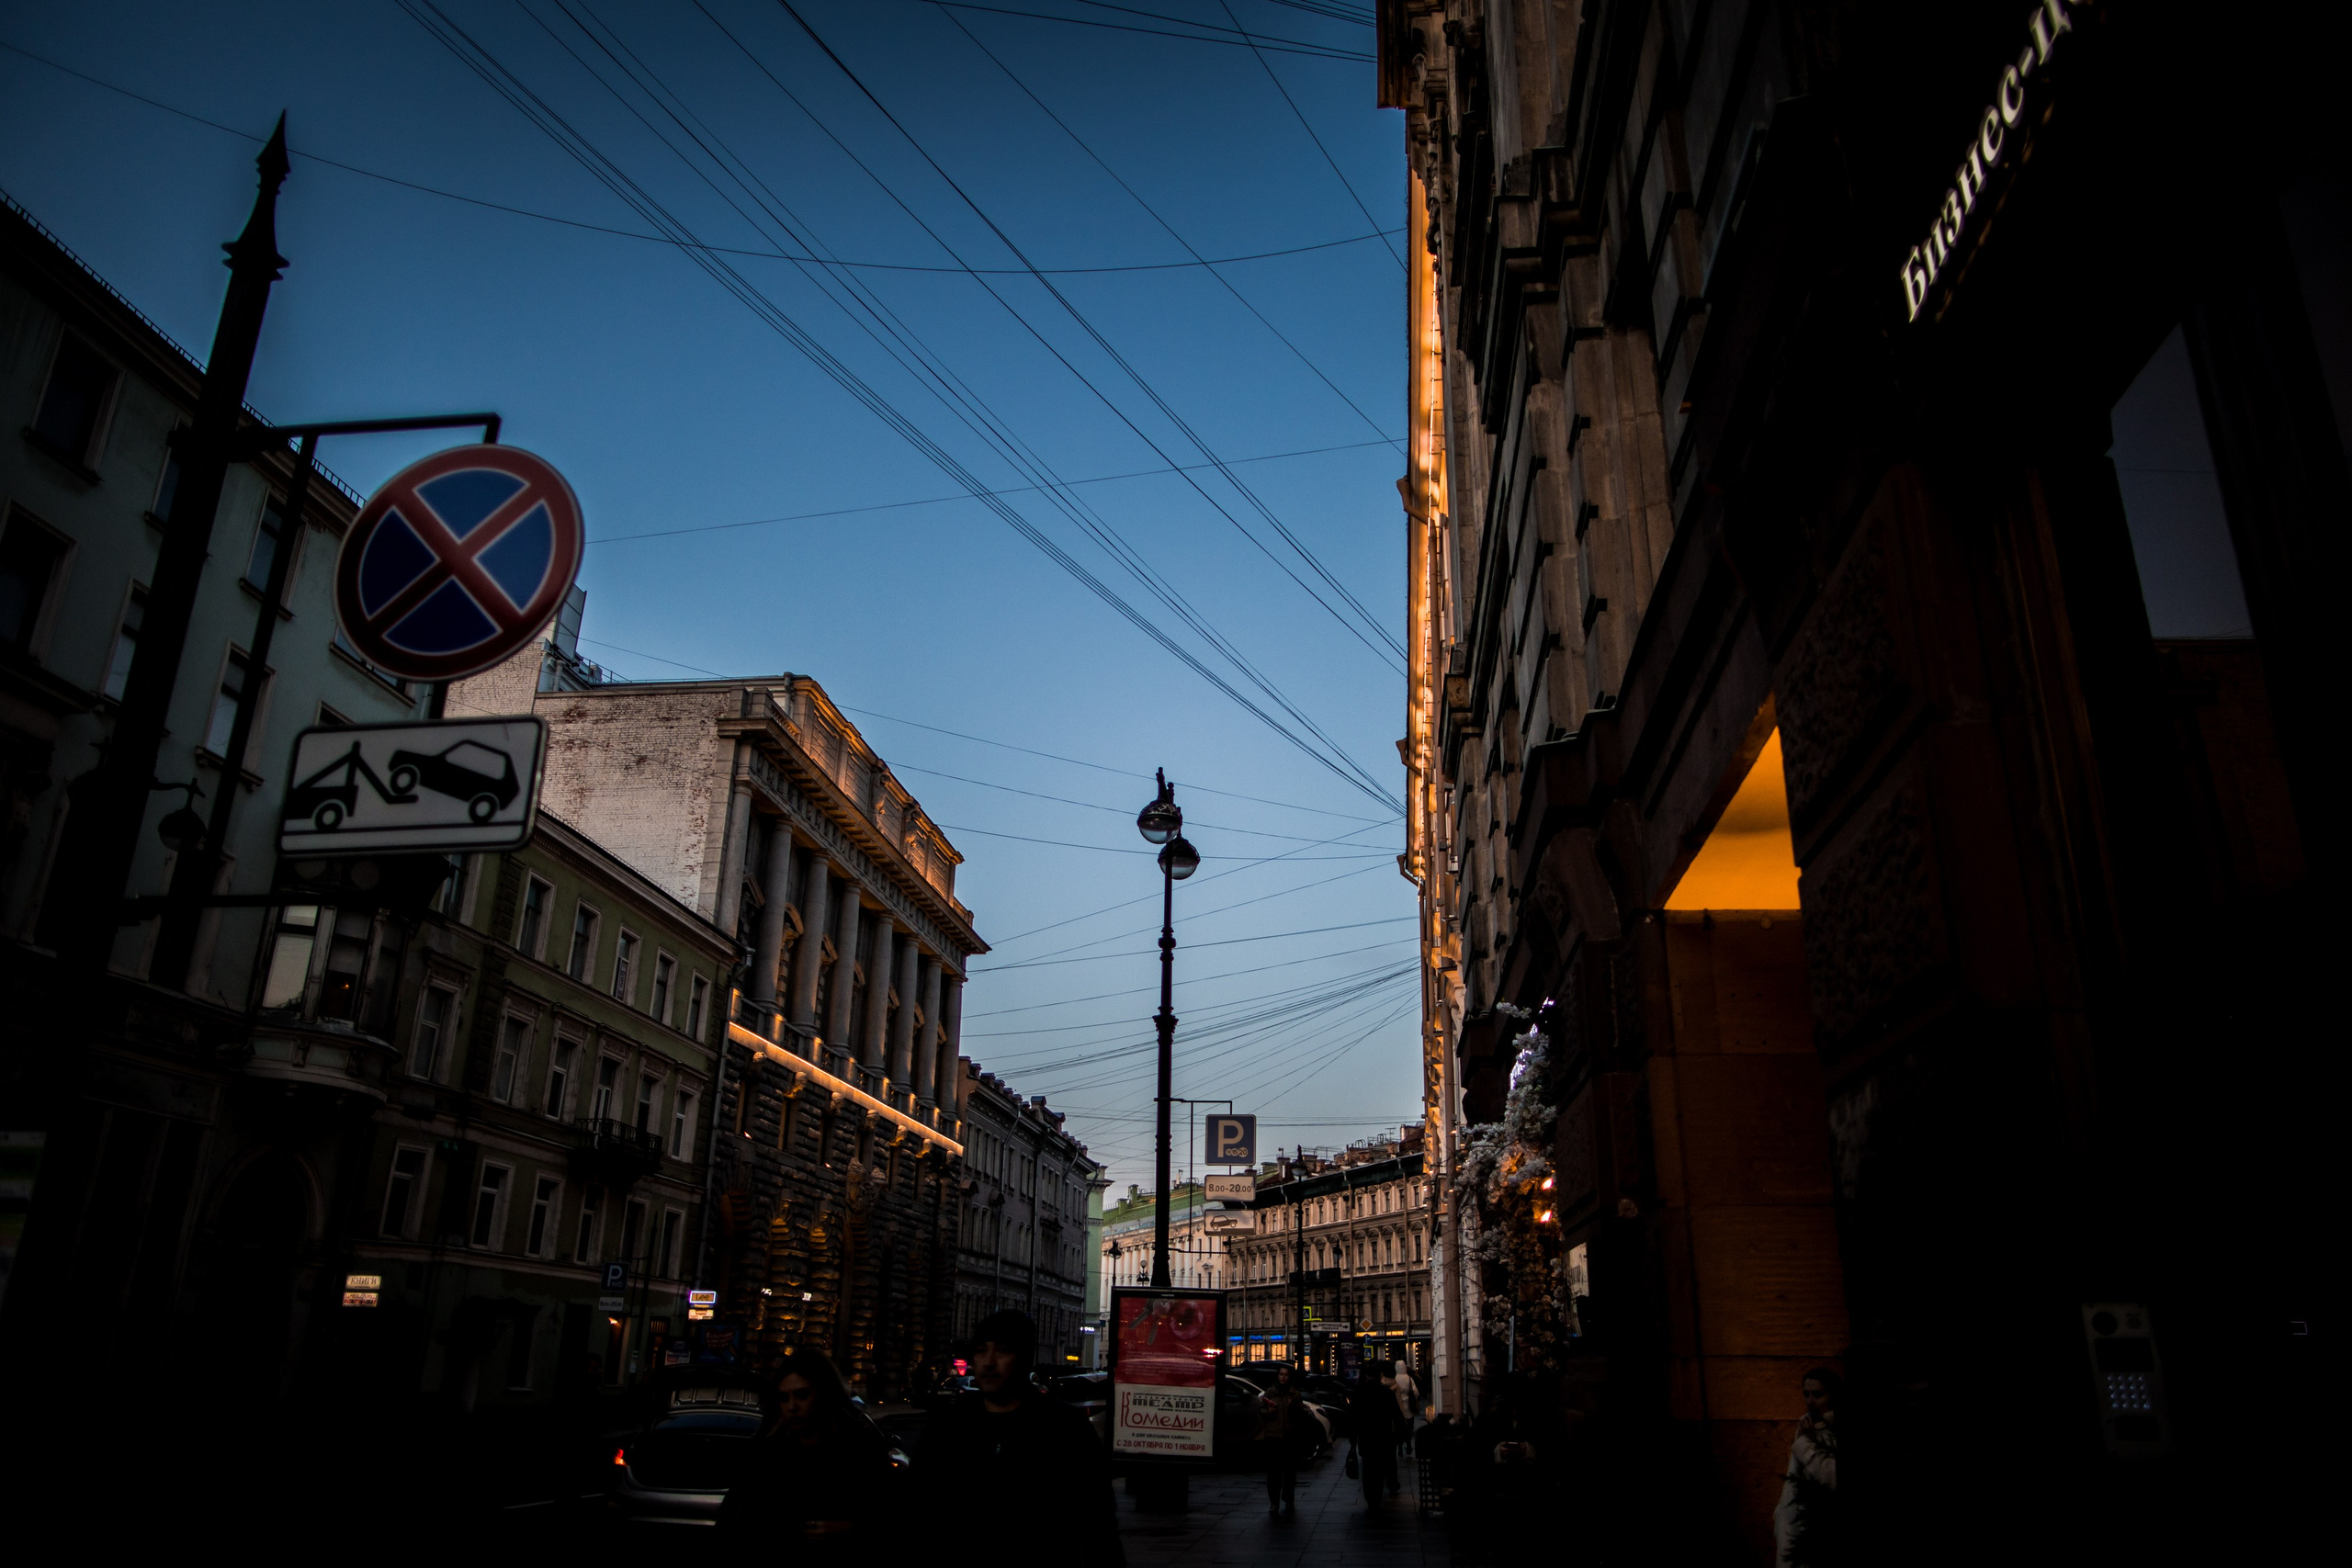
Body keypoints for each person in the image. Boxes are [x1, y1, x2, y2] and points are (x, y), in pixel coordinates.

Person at [913, 1309, 1123, 1568]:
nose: (988, 1362)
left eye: (1002, 1351)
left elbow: (1099, 1525)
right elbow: (918, 1516)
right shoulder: (947, 1430)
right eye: (980, 1350)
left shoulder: (1063, 1429)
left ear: (1023, 1359)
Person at [716, 1349, 899, 1561]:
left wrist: (851, 1529)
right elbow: (731, 1520)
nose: (792, 1407)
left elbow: (890, 1518)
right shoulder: (767, 1453)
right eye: (784, 1398)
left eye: (802, 1395)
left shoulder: (860, 1452)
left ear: (824, 1394)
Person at [1772, 1368, 1842, 1567]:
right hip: (1794, 1522)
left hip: (1822, 1525)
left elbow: (1831, 1477)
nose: (1810, 1401)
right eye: (1806, 1394)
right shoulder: (1806, 1423)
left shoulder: (1834, 1429)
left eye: (1818, 1394)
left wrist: (1808, 1444)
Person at [1254, 1362, 1312, 1516]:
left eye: (1286, 1375)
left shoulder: (1294, 1394)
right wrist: (1268, 1411)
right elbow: (1261, 1411)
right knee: (1273, 1473)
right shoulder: (1271, 1393)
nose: (1283, 1377)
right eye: (1281, 1374)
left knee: (1289, 1473)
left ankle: (1288, 1499)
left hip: (1289, 1438)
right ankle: (1274, 1502)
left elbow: (1301, 1415)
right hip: (1273, 1438)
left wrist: (1293, 1407)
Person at [1346, 1361, 1400, 1507]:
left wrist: (1353, 1437)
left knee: (1368, 1467)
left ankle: (1370, 1496)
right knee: (1380, 1467)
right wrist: (1402, 1436)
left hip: (1366, 1437)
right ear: (1379, 1376)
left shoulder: (1359, 1392)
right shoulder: (1386, 1393)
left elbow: (1353, 1416)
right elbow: (1397, 1415)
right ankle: (1376, 1493)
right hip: (1383, 1437)